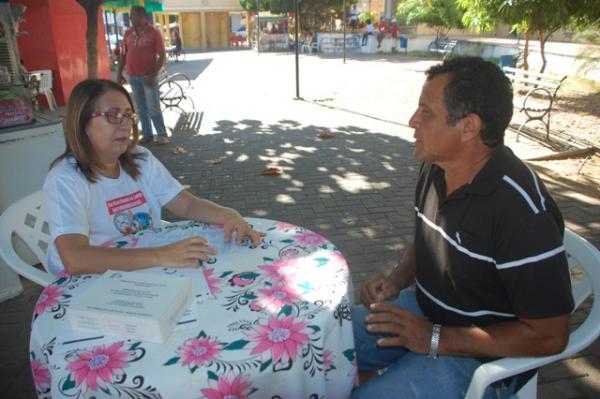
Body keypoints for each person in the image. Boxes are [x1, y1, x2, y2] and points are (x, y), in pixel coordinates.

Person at [352, 57, 574, 398]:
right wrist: (396, 280)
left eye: (425, 112)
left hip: (484, 356)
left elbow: (551, 334)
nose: (413, 121)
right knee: (319, 341)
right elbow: (431, 236)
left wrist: (435, 339)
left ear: (468, 127)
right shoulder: (437, 166)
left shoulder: (519, 210)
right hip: (426, 314)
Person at [43, 79, 262, 276]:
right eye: (113, 115)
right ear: (83, 124)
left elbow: (186, 205)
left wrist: (228, 215)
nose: (126, 124)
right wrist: (161, 255)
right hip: (90, 279)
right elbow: (76, 259)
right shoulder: (65, 179)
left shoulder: (139, 158)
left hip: (142, 264)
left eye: (129, 115)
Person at [116, 6, 170, 145]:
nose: (130, 18)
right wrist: (119, 74)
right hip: (133, 76)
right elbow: (123, 54)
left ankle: (162, 134)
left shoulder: (153, 33)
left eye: (132, 15)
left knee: (153, 106)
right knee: (140, 107)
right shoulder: (128, 33)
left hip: (148, 76)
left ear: (142, 16)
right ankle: (147, 134)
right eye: (130, 15)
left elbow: (162, 55)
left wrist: (154, 73)